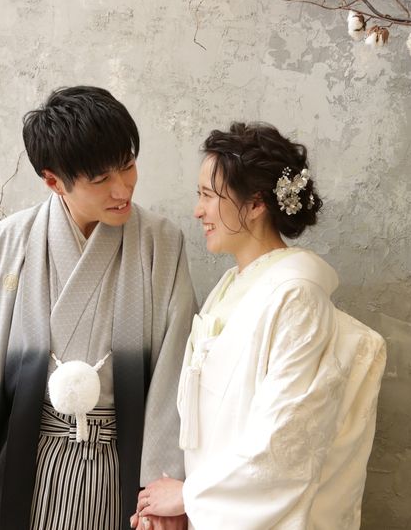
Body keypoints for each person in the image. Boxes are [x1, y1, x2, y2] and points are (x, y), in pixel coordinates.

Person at [0, 86, 196, 530]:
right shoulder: (10, 241)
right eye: (100, 180)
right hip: (26, 458)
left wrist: (161, 485)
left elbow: (176, 371)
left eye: (127, 166)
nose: (123, 188)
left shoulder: (160, 243)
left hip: (119, 464)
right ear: (53, 181)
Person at [132, 122, 386, 529]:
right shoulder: (229, 286)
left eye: (209, 196)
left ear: (254, 204)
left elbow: (286, 441)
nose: (198, 210)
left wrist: (190, 496)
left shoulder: (296, 296)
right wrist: (186, 504)